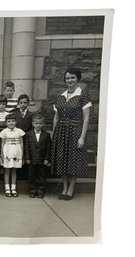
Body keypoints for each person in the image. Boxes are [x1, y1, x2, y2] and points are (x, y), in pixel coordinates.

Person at [51, 68, 92, 201]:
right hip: (61, 132)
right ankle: (64, 187)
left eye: (72, 78)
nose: (70, 80)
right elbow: (56, 117)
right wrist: (53, 133)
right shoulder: (61, 96)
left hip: (75, 131)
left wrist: (82, 137)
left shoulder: (83, 96)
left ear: (78, 79)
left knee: (74, 161)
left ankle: (71, 189)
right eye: (68, 78)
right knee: (63, 160)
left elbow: (86, 118)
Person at [24, 113, 51, 198]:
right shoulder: (28, 134)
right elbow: (26, 147)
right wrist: (27, 157)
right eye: (36, 123)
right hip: (32, 159)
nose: (38, 125)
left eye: (40, 123)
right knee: (32, 175)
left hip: (42, 160)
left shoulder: (46, 135)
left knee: (41, 175)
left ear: (43, 124)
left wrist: (47, 159)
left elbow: (48, 148)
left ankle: (40, 190)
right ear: (33, 124)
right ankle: (32, 190)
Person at [0, 113, 25, 197]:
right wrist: (2, 154)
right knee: (7, 170)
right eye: (9, 121)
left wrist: (22, 154)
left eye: (13, 121)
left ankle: (13, 188)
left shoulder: (19, 131)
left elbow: (21, 143)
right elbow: (2, 144)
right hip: (7, 152)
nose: (11, 123)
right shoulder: (4, 132)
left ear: (16, 122)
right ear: (5, 123)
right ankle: (7, 188)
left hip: (17, 152)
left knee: (14, 170)